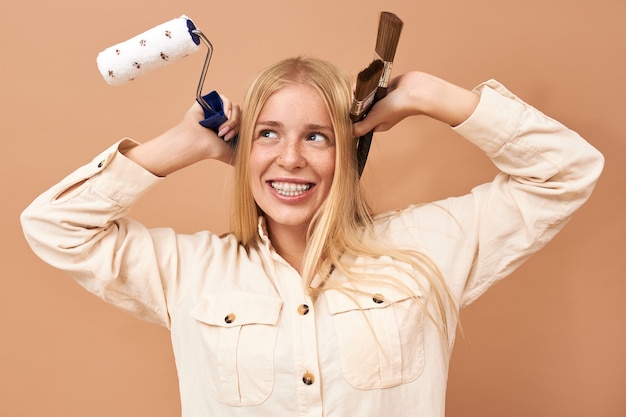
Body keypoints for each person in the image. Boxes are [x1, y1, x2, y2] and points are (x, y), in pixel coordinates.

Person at [21, 56, 604, 417]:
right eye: (268, 134)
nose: (291, 159)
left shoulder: (427, 249)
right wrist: (187, 143)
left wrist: (429, 94)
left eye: (318, 137)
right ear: (244, 151)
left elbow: (567, 169)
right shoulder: (189, 272)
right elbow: (53, 226)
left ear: (348, 151)